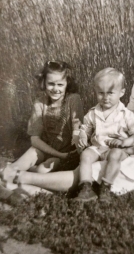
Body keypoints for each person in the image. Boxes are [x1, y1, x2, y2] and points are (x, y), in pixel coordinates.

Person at [1, 25, 134, 199]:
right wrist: (108, 139)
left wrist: (129, 150)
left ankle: (20, 178)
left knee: (95, 171)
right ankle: (24, 186)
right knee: (88, 163)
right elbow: (124, 117)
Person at [0, 60, 84, 204]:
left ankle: (18, 184)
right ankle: (8, 176)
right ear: (44, 82)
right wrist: (56, 153)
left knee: (42, 171)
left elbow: (77, 129)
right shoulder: (40, 102)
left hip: (67, 154)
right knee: (32, 152)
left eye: (60, 84)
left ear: (67, 84)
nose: (55, 89)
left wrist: (66, 154)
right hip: (48, 149)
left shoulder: (73, 100)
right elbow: (35, 139)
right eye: (51, 84)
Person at [75, 68, 134, 202]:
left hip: (116, 149)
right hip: (98, 147)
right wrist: (83, 136)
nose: (105, 97)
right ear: (96, 92)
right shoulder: (93, 112)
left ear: (121, 93)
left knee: (115, 154)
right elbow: (85, 128)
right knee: (86, 155)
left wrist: (124, 142)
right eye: (101, 93)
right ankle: (86, 187)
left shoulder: (127, 115)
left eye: (110, 93)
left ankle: (106, 187)